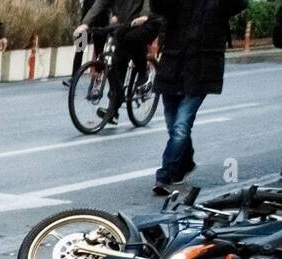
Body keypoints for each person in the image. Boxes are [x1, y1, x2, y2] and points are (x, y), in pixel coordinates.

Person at [149, 0, 248, 196]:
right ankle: (185, 163)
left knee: (181, 126)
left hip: (202, 68)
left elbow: (239, 4)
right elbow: (159, 7)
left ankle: (165, 175)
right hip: (173, 65)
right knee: (172, 123)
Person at [72, 0, 161, 130]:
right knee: (115, 64)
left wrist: (145, 15)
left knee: (133, 40)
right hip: (123, 25)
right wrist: (85, 23)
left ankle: (143, 75)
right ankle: (113, 112)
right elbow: (99, 4)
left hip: (144, 23)